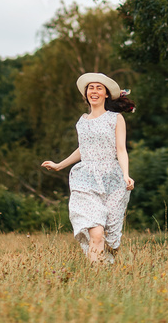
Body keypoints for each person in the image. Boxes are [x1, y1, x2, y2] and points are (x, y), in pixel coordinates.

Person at [41, 72, 135, 264]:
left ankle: (106, 273)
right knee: (96, 232)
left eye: (99, 88)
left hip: (112, 179)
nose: (94, 91)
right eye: (90, 88)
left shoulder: (115, 119)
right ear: (86, 94)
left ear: (106, 94)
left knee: (110, 238)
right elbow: (82, 150)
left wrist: (126, 174)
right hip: (86, 178)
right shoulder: (82, 122)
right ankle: (96, 277)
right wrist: (59, 165)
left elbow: (121, 150)